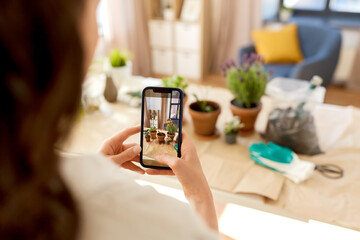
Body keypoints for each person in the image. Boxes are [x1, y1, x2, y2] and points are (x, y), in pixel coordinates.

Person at [0, 0, 219, 239]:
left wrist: (94, 169)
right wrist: (199, 195)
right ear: (68, 35)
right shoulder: (153, 219)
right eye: (95, 11)